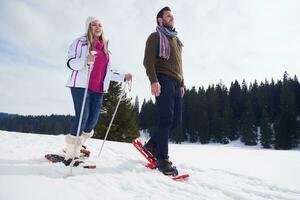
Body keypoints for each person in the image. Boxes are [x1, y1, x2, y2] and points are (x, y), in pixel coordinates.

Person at [64, 16, 132, 166]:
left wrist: (123, 77)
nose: (97, 27)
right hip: (81, 86)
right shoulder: (79, 42)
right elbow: (70, 62)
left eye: (99, 25)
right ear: (88, 27)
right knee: (83, 116)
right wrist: (85, 60)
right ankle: (71, 153)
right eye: (93, 24)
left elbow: (107, 72)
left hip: (98, 89)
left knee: (92, 120)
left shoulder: (105, 48)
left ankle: (78, 145)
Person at [143, 7, 185, 175]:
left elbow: (180, 64)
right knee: (166, 118)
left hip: (176, 82)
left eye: (172, 15)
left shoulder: (176, 40)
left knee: (176, 121)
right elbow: (148, 61)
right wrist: (154, 80)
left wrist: (182, 83)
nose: (171, 17)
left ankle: (152, 145)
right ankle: (162, 158)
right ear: (160, 20)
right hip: (163, 79)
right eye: (168, 15)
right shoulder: (155, 37)